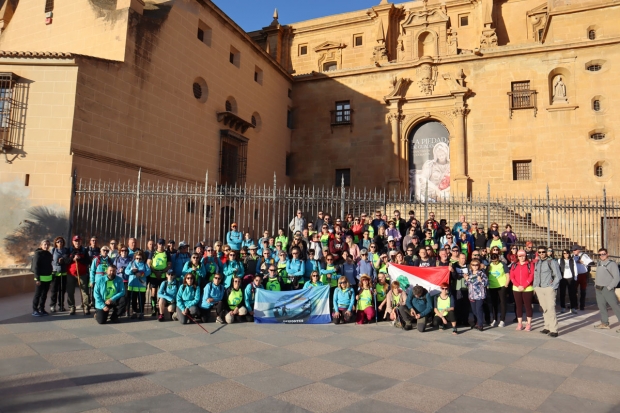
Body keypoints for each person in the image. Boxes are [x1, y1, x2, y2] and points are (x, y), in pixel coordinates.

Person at [533, 246, 561, 337]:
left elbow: (558, 276)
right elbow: (536, 276)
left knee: (551, 308)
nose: (541, 254)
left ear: (547, 252)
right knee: (544, 308)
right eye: (539, 252)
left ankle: (554, 329)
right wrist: (535, 287)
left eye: (543, 252)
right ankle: (547, 327)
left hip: (548, 288)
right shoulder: (537, 263)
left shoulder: (552, 262)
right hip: (539, 288)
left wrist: (553, 287)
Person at [593, 248, 620, 331]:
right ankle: (605, 323)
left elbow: (617, 278)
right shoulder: (599, 263)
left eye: (603, 254)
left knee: (615, 307)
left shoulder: (612, 264)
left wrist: (609, 287)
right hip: (598, 288)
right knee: (601, 307)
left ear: (607, 254)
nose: (602, 256)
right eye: (600, 254)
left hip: (607, 289)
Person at [510, 250, 534, 331]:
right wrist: (518, 285)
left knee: (528, 306)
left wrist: (524, 285)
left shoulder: (530, 264)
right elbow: (512, 277)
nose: (522, 257)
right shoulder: (514, 265)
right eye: (520, 256)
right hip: (516, 288)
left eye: (523, 256)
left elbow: (531, 276)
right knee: (518, 306)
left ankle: (528, 324)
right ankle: (519, 323)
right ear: (517, 257)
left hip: (527, 288)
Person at [147, 239, 172, 316]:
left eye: (162, 244)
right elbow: (148, 263)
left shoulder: (167, 253)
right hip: (154, 275)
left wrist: (161, 272)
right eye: (159, 243)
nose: (161, 245)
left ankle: (162, 310)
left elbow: (169, 265)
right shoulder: (153, 253)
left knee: (163, 293)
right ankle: (154, 309)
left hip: (163, 276)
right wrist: (155, 272)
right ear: (157, 244)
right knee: (153, 292)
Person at [67, 235, 90, 315]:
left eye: (79, 241)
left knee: (85, 291)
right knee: (70, 291)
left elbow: (88, 261)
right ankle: (72, 307)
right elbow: (66, 261)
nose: (77, 242)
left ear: (81, 242)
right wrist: (72, 259)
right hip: (71, 274)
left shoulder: (84, 250)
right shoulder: (69, 250)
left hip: (82, 274)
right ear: (73, 242)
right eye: (76, 241)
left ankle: (86, 307)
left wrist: (80, 259)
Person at [125, 250, 151, 319]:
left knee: (141, 299)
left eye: (140, 258)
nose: (138, 260)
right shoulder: (131, 263)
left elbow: (148, 271)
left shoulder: (144, 264)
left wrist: (142, 274)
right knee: (133, 299)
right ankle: (134, 312)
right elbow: (126, 271)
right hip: (133, 284)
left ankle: (141, 312)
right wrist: (132, 271)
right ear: (135, 257)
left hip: (141, 284)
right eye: (137, 258)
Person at [32, 240, 53, 317]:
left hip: (47, 278)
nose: (46, 246)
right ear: (41, 245)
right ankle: (35, 310)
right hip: (40, 279)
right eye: (45, 244)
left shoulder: (49, 254)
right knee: (38, 295)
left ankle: (42, 309)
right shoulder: (38, 254)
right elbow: (36, 267)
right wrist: (37, 279)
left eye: (48, 244)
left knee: (44, 295)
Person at [465, 259, 488, 331]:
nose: (475, 266)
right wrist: (466, 279)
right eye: (473, 265)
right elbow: (466, 284)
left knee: (479, 309)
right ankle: (478, 322)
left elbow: (486, 283)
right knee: (474, 310)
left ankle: (480, 325)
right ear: (471, 266)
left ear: (479, 266)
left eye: (476, 265)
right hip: (472, 295)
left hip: (480, 295)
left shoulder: (481, 273)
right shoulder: (469, 274)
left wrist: (481, 280)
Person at [487, 253, 509, 327]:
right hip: (492, 286)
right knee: (494, 303)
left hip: (501, 285)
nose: (495, 262)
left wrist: (506, 284)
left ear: (498, 258)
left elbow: (507, 274)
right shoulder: (489, 265)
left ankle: (502, 319)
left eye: (496, 261)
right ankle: (494, 319)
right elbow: (487, 274)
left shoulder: (502, 264)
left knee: (502, 302)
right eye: (493, 261)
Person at [50, 236, 70, 313]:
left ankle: (61, 305)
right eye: (58, 241)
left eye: (61, 241)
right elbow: (51, 261)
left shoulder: (66, 250)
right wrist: (57, 262)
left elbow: (68, 260)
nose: (60, 243)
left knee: (62, 290)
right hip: (55, 273)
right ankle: (52, 306)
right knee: (54, 290)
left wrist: (63, 260)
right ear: (55, 243)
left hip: (63, 273)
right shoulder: (53, 250)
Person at [451, 253, 470, 327]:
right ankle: (458, 320)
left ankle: (465, 321)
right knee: (458, 305)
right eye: (462, 258)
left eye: (464, 258)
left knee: (466, 305)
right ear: (458, 259)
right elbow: (454, 276)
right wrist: (462, 276)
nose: (464, 260)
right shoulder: (454, 265)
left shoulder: (468, 265)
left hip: (466, 288)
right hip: (457, 288)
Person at [114, 244, 132, 317]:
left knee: (126, 296)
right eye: (122, 250)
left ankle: (127, 310)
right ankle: (118, 310)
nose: (124, 252)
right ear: (120, 252)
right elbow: (113, 268)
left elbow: (132, 268)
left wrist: (126, 270)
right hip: (118, 280)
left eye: (125, 251)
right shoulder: (117, 259)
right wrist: (118, 270)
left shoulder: (130, 260)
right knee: (118, 295)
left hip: (126, 280)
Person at [558, 249, 578, 314]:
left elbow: (575, 269)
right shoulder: (560, 260)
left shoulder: (572, 260)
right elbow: (558, 269)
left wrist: (575, 278)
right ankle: (563, 307)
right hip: (563, 278)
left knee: (572, 294)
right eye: (564, 253)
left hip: (570, 278)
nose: (565, 254)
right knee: (562, 294)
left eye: (567, 253)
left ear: (569, 254)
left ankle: (573, 308)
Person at [572, 245, 592, 311]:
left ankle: (582, 306)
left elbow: (590, 262)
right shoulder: (572, 256)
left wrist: (582, 262)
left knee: (583, 291)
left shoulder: (584, 255)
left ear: (579, 250)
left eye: (575, 250)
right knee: (574, 291)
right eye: (573, 250)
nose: (573, 251)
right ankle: (575, 305)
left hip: (583, 275)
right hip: (575, 275)